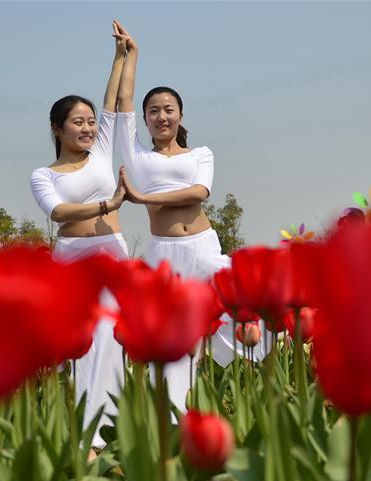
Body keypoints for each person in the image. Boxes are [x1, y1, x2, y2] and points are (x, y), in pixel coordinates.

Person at [113, 21, 269, 413]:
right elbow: (123, 104)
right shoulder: (138, 157)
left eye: (168, 110)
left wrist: (143, 197)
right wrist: (131, 54)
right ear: (146, 119)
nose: (160, 117)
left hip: (202, 248)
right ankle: (175, 421)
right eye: (154, 111)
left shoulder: (200, 154)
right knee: (170, 344)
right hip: (163, 255)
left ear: (180, 115)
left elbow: (201, 192)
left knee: (250, 308)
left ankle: (239, 403)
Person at [29, 22, 130, 450]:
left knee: (113, 340)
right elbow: (58, 212)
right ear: (57, 128)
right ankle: (85, 437)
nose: (88, 129)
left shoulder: (103, 150)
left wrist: (121, 57)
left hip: (112, 253)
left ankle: (116, 431)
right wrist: (107, 204)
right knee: (81, 345)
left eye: (90, 122)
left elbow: (111, 102)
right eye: (77, 122)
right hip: (72, 257)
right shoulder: (43, 174)